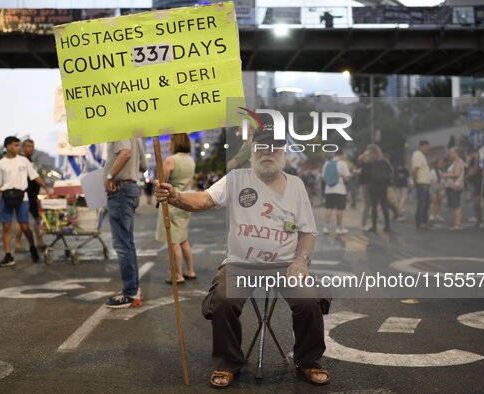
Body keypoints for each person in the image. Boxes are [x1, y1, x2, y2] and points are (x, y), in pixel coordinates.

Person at [155, 128, 329, 388]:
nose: (268, 152)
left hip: (284, 264)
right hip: (240, 263)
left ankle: (308, 360)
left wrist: (301, 260)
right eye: (262, 146)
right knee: (223, 301)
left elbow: (307, 232)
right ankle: (228, 363)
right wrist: (175, 197)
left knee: (309, 301)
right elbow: (203, 200)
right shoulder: (235, 179)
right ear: (252, 150)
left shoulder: (296, 185)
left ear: (283, 151)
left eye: (275, 146)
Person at [0, 136, 51, 267]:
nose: (18, 148)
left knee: (25, 226)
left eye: (18, 145)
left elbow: (35, 176)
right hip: (5, 197)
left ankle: (32, 247)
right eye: (15, 145)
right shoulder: (0, 163)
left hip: (22, 197)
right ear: (8, 146)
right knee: (6, 227)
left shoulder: (24, 161)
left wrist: (46, 188)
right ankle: (8, 255)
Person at [104, 137, 147, 308]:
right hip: (129, 187)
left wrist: (108, 177)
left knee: (122, 244)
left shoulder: (119, 129)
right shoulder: (136, 135)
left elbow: (125, 153)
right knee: (127, 242)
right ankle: (133, 289)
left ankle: (130, 292)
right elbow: (143, 166)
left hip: (120, 189)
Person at [156, 133, 197, 284]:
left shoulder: (171, 160)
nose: (169, 144)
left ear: (176, 142)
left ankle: (178, 275)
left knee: (173, 241)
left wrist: (157, 181)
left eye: (171, 141)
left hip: (172, 203)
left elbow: (163, 182)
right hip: (186, 201)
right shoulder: (190, 161)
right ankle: (190, 270)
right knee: (183, 238)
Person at [15, 139, 46, 252]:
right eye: (28, 146)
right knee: (21, 221)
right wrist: (46, 188)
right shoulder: (21, 160)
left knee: (38, 219)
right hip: (24, 196)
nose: (30, 148)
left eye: (32, 146)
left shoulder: (29, 160)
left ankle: (40, 242)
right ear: (23, 147)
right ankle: (18, 245)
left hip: (33, 196)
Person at [322, 152, 351, 234]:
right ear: (341, 155)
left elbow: (323, 178)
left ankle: (326, 227)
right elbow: (346, 179)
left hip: (328, 190)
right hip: (340, 190)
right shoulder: (342, 163)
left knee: (328, 208)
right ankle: (339, 228)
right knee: (339, 209)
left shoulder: (326, 163)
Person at [366, 145, 391, 233]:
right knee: (384, 205)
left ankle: (374, 227)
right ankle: (387, 226)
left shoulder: (369, 163)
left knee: (374, 206)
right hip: (383, 186)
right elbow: (389, 172)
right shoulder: (384, 162)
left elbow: (366, 175)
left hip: (373, 186)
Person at [441, 147, 465, 230]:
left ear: (456, 153)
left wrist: (445, 175)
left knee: (456, 205)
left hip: (455, 185)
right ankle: (456, 223)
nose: (450, 154)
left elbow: (457, 174)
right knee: (454, 205)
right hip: (452, 185)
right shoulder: (455, 162)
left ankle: (457, 224)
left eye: (452, 152)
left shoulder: (458, 162)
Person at [467, 149, 484, 228]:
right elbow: (473, 171)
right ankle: (478, 219)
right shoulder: (473, 160)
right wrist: (477, 159)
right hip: (477, 182)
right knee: (477, 202)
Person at [411, 140, 431, 229]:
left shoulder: (422, 155)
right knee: (422, 203)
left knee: (426, 203)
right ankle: (420, 222)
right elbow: (414, 170)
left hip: (425, 182)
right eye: (426, 147)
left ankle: (425, 221)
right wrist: (415, 182)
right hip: (421, 182)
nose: (427, 149)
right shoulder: (417, 155)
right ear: (421, 146)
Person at [357, 151, 372, 231]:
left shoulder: (367, 164)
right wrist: (365, 154)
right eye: (367, 156)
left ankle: (365, 222)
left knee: (369, 205)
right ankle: (364, 224)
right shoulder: (363, 164)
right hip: (366, 185)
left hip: (368, 185)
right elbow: (359, 158)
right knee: (367, 204)